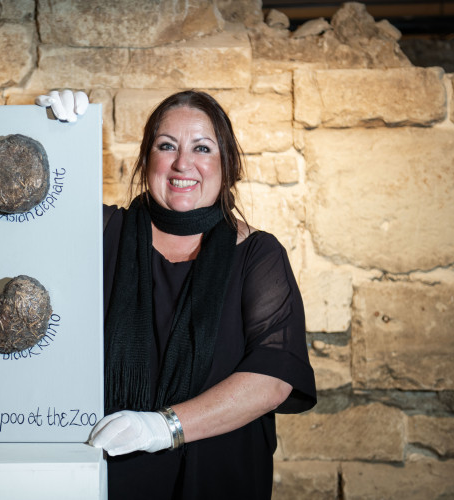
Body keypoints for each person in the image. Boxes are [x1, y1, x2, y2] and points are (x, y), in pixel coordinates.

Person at [37, 90, 316, 499]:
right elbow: (26, 219)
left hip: (218, 482)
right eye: (166, 146)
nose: (183, 163)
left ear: (227, 165)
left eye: (202, 148)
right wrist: (51, 134)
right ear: (147, 160)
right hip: (107, 481)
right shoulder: (100, 233)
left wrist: (163, 427)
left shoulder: (258, 254)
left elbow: (272, 378)